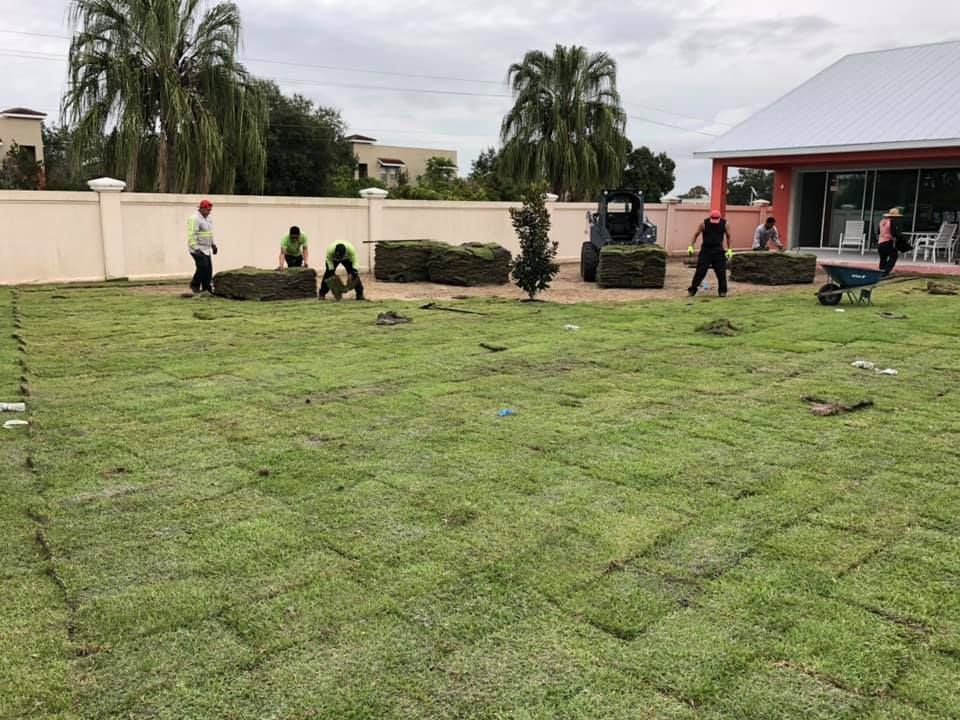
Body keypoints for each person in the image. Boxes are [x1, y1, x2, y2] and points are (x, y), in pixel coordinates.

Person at [688, 209, 734, 297]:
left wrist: (730, 250)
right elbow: (695, 234)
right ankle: (692, 289)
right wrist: (691, 246)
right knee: (700, 271)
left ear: (719, 218)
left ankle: (722, 291)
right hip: (706, 250)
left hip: (718, 250)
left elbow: (729, 237)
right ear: (710, 217)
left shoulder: (725, 224)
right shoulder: (704, 224)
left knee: (721, 272)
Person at [187, 199, 217, 294]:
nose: (209, 212)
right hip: (197, 249)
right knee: (203, 267)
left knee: (208, 270)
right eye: (207, 210)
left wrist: (213, 244)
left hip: (206, 248)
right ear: (201, 208)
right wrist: (196, 248)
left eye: (210, 210)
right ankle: (194, 284)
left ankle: (206, 289)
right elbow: (191, 235)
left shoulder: (208, 219)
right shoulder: (194, 219)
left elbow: (210, 233)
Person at [877, 207, 906, 275]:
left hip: (880, 242)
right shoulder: (892, 221)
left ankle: (881, 269)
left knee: (883, 257)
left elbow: (878, 231)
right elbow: (894, 233)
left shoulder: (882, 221)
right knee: (894, 256)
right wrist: (901, 238)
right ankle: (886, 271)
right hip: (888, 242)